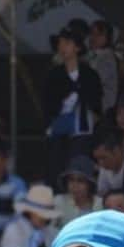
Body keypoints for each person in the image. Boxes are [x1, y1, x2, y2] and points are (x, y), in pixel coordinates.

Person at [44, 23, 104, 182]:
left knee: (79, 170)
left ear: (77, 48)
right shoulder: (54, 75)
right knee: (57, 170)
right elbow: (48, 104)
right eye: (61, 43)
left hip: (83, 132)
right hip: (58, 132)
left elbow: (96, 103)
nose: (62, 47)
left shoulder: (90, 75)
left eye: (67, 43)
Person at [55, 156, 102, 228]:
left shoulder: (101, 204)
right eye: (71, 180)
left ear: (90, 184)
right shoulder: (58, 202)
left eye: (80, 181)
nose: (74, 185)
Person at [87, 19, 120, 115]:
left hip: (102, 109)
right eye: (92, 33)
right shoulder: (89, 55)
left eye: (99, 35)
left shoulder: (108, 58)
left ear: (108, 38)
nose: (94, 37)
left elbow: (93, 81)